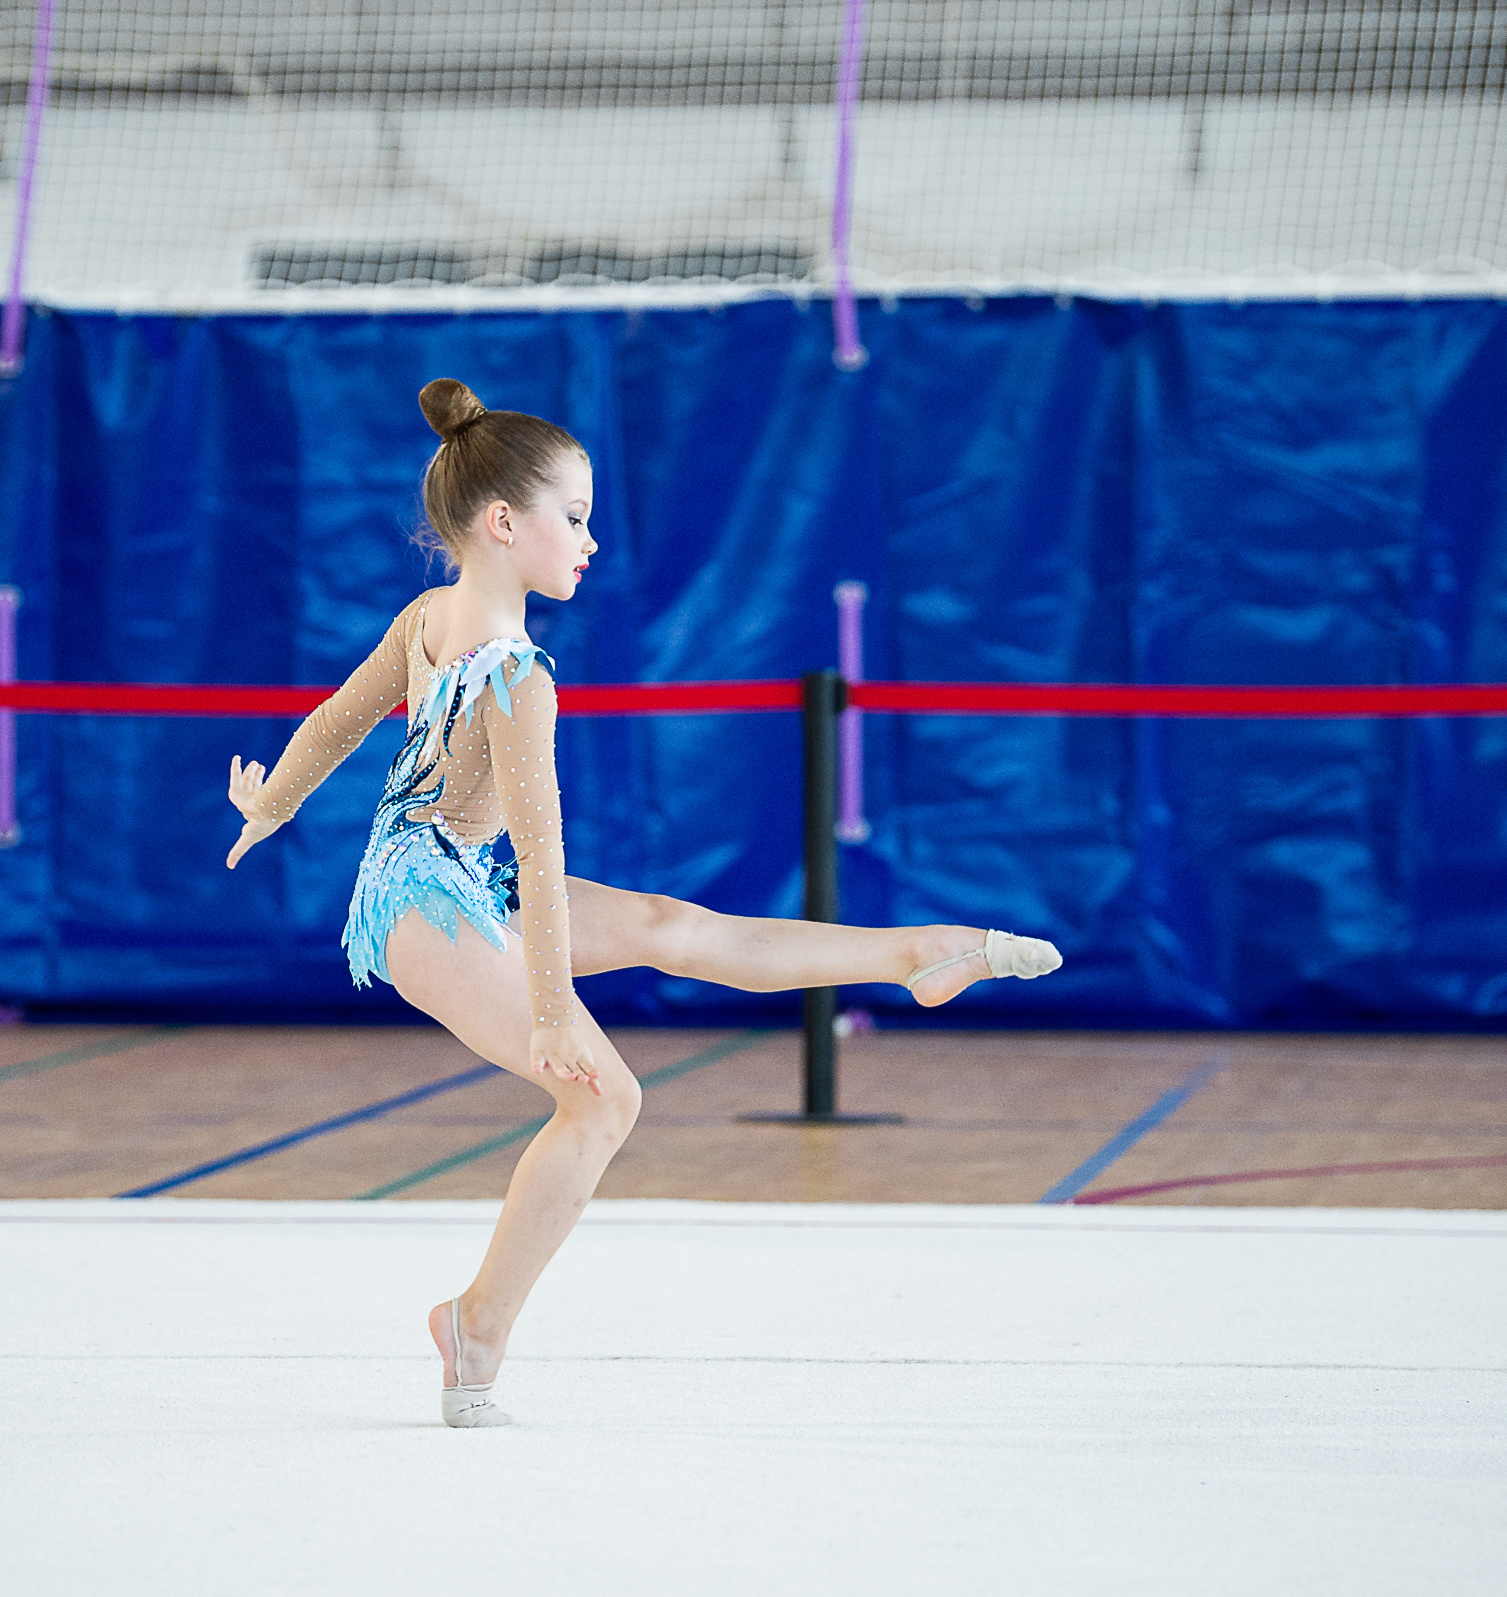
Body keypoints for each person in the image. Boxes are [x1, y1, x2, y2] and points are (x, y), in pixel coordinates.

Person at [225, 378, 1062, 1427]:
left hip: (452, 878)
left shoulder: (433, 615)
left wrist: (277, 799)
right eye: (572, 518)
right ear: (501, 523)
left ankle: (917, 954)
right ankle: (475, 1324)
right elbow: (517, 833)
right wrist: (542, 1008)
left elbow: (338, 724)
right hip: (424, 904)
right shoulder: (514, 674)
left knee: (673, 924)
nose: (589, 540)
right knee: (604, 1098)